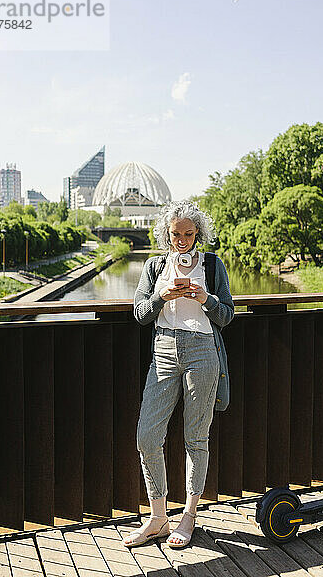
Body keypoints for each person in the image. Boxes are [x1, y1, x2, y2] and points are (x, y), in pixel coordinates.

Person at [122, 200, 234, 549]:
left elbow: (228, 315)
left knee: (195, 439)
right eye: (175, 235)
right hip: (163, 354)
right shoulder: (155, 265)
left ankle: (189, 515)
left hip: (203, 352)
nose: (182, 241)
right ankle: (158, 517)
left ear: (198, 233)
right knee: (147, 435)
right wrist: (160, 296)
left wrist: (206, 299)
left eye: (188, 234)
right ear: (166, 234)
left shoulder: (213, 265)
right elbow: (140, 313)